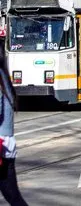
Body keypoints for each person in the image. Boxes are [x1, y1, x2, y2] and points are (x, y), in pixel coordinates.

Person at [0, 51, 28, 205]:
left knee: (12, 194)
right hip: (5, 144)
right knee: (12, 194)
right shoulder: (4, 77)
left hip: (1, 144)